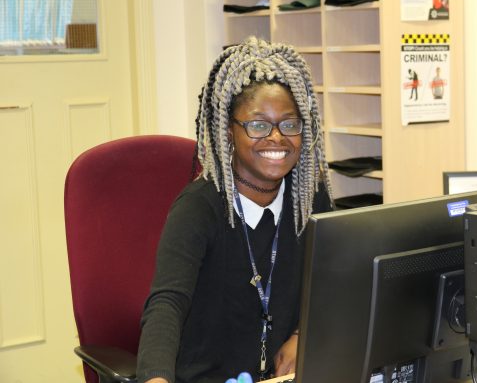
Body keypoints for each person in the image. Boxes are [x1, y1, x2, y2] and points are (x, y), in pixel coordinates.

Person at [136, 36, 334, 383]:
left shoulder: (309, 199)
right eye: (258, 125)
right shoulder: (199, 208)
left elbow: (332, 279)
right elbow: (167, 303)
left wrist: (303, 334)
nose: (277, 138)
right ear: (229, 132)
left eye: (289, 124)